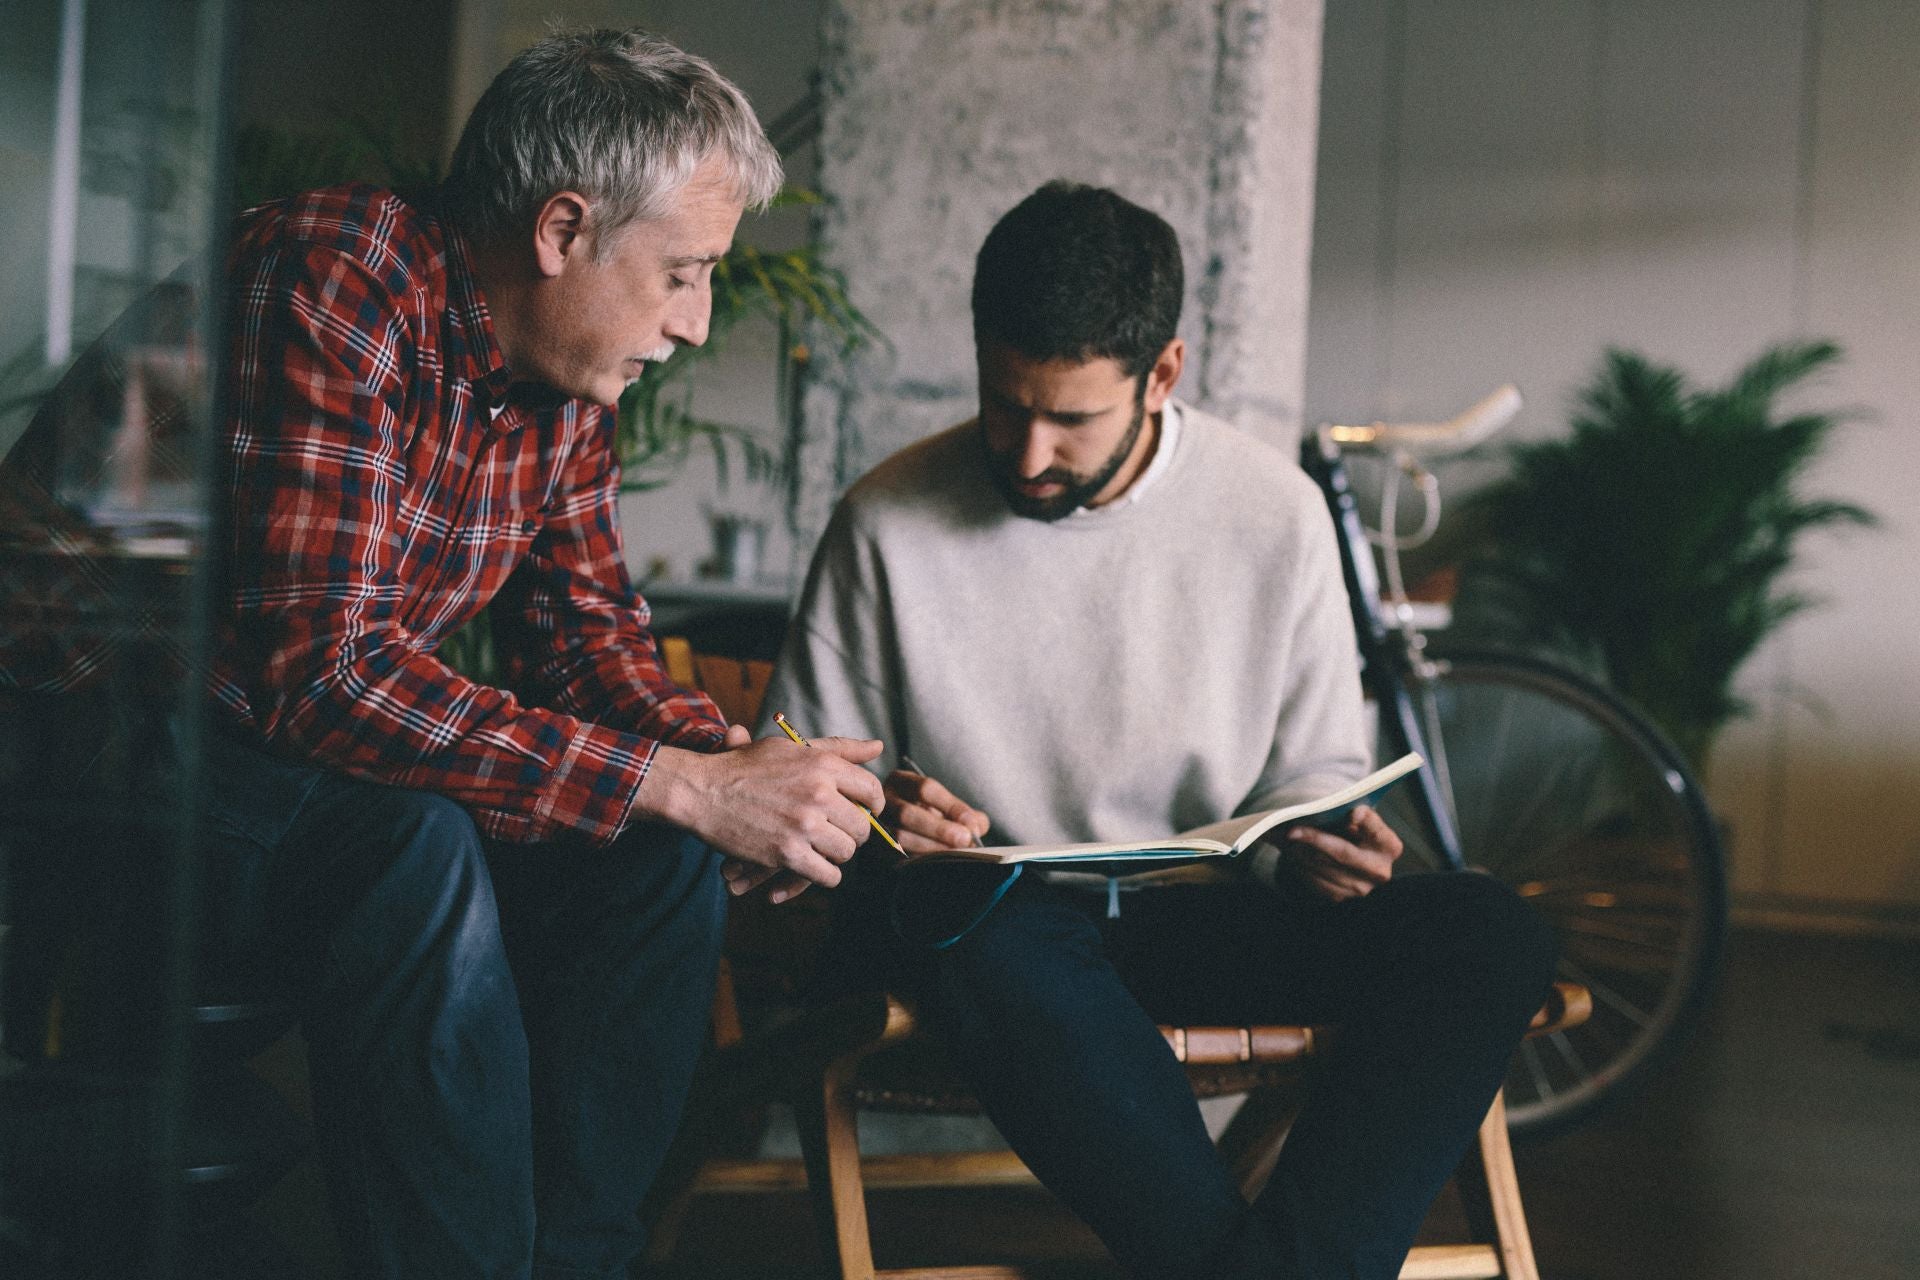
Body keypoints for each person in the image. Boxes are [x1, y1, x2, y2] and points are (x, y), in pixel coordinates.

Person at [3, 30, 891, 1280]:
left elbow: (591, 647)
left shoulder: (567, 387)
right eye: (683, 274)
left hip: (263, 764)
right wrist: (687, 782)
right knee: (406, 840)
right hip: (74, 750)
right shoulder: (330, 280)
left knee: (663, 856)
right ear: (562, 230)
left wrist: (766, 785)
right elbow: (327, 674)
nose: (695, 323)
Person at [755, 181, 1559, 1279]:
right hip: (1000, 938)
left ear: (1163, 373)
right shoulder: (888, 519)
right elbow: (798, 800)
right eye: (1003, 402)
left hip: (1201, 919)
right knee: (971, 921)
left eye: (1070, 418)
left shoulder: (1272, 512)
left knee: (1489, 929)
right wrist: (885, 819)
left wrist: (1324, 845)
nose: (1028, 449)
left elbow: (1318, 765)